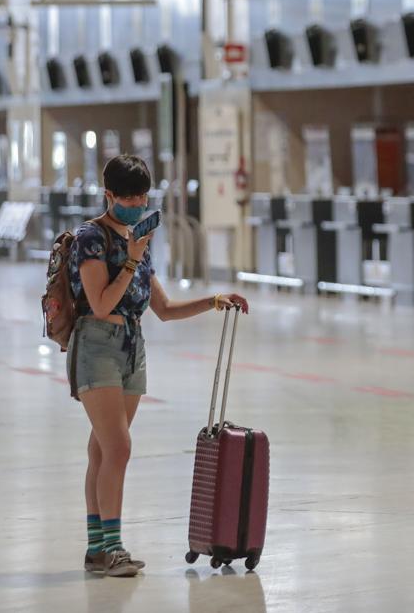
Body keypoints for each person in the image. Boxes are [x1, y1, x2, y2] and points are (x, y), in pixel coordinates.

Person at [67, 154, 249, 577]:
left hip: (132, 347)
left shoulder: (137, 241)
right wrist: (131, 259)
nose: (135, 204)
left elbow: (163, 309)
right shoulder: (90, 239)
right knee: (119, 447)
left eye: (142, 197)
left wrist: (213, 300)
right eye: (127, 197)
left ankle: (97, 548)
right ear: (108, 195)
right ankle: (112, 546)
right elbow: (100, 303)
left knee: (102, 448)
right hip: (97, 347)